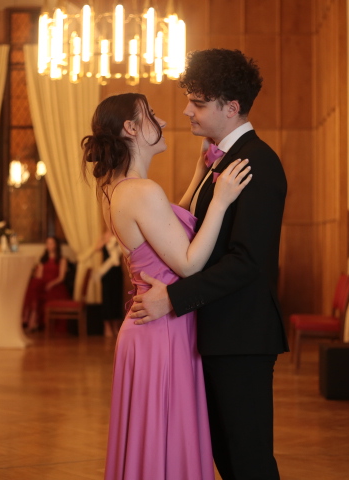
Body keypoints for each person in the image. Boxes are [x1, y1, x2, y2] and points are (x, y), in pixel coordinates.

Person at [129, 49, 288, 480]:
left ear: (231, 107)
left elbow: (247, 262)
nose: (187, 111)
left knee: (249, 462)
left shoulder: (258, 162)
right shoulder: (220, 161)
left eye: (198, 103)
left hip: (241, 335)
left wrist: (172, 299)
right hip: (217, 332)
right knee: (228, 458)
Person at [82, 92, 251, 480]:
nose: (162, 121)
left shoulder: (119, 188)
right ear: (131, 128)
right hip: (162, 330)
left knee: (156, 439)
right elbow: (189, 263)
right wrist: (221, 201)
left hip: (151, 328)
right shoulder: (141, 192)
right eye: (151, 115)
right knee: (167, 437)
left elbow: (167, 226)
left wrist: (198, 175)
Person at [22, 236, 70, 332]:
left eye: (51, 243)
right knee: (34, 285)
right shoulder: (43, 260)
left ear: (56, 245)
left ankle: (31, 319)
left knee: (38, 291)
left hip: (55, 285)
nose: (49, 245)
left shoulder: (62, 259)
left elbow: (61, 277)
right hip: (43, 284)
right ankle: (31, 317)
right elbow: (39, 276)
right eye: (47, 243)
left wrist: (51, 284)